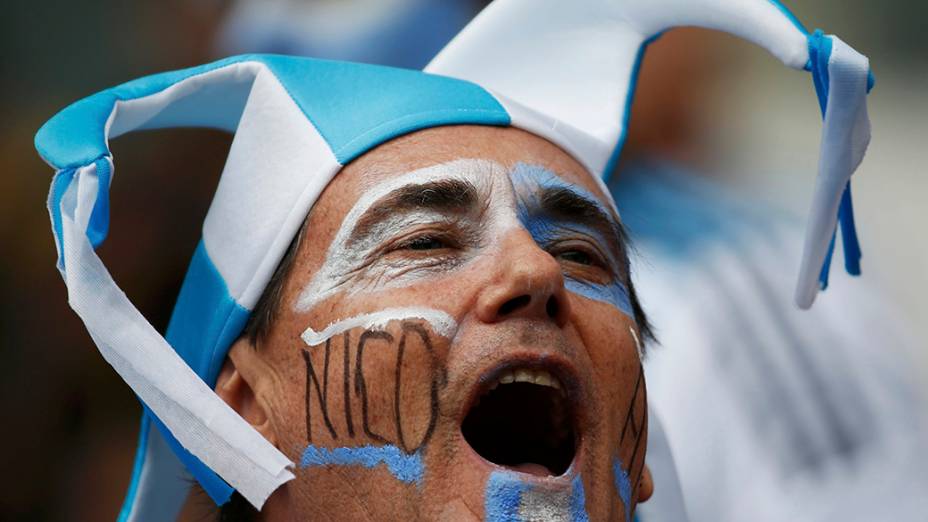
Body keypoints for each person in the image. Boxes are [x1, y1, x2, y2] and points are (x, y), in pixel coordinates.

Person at [34, 0, 873, 520]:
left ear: (641, 446)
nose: (536, 274)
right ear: (245, 414)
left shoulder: (732, 271)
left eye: (583, 253)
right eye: (423, 241)